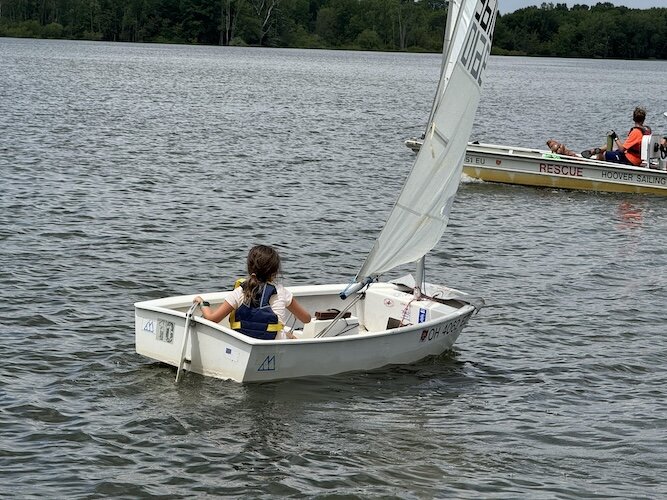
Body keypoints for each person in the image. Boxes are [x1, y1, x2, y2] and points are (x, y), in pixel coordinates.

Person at [194, 245, 311, 340]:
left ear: (249, 269)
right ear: (275, 273)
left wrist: (203, 304)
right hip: (273, 346)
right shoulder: (282, 292)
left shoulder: (239, 292)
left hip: (243, 344)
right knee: (290, 335)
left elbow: (212, 319)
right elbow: (307, 319)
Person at [581, 106, 650, 166]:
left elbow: (622, 150)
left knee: (604, 154)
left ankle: (597, 166)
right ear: (644, 119)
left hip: (631, 159)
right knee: (613, 147)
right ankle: (596, 150)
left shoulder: (636, 132)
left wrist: (615, 137)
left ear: (633, 118)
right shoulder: (647, 131)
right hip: (636, 157)